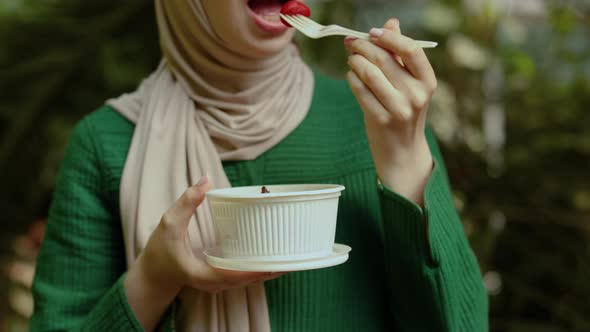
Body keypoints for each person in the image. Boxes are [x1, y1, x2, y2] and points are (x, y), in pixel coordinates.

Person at [31, 0, 488, 331]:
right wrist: (154, 278)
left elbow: (461, 324)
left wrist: (405, 159)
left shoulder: (386, 117)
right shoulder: (104, 143)